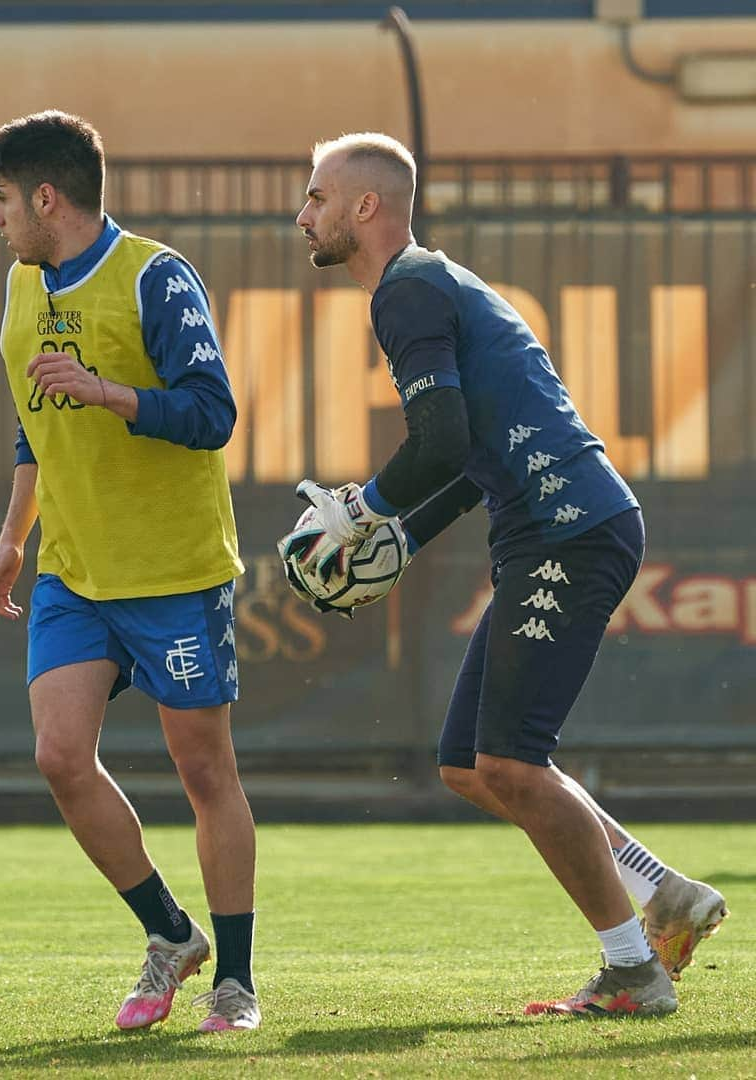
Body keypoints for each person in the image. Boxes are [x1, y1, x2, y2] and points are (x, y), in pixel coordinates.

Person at [280, 132, 728, 1017]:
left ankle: (634, 969)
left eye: (318, 197)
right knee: (468, 765)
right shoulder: (428, 281)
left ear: (366, 206)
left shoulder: (405, 291)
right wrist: (402, 537)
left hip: (569, 531)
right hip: (556, 529)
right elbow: (469, 455)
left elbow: (440, 441)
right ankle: (663, 893)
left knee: (513, 765)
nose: (304, 215)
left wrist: (361, 510)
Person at [0, 110, 260, 1033]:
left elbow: (211, 413)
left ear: (45, 197)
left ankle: (236, 981)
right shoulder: (22, 284)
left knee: (203, 769)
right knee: (60, 757)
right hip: (73, 568)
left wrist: (107, 392)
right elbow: (33, 423)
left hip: (173, 568)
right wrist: (13, 539)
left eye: (0, 200)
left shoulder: (156, 277)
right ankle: (172, 936)